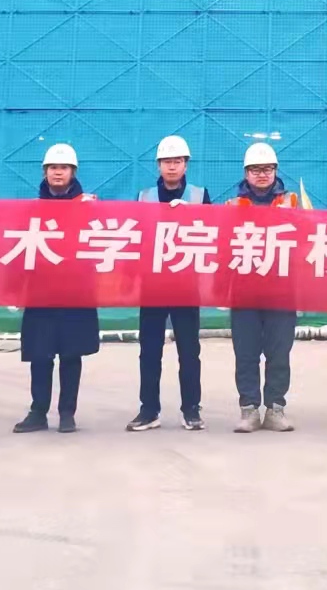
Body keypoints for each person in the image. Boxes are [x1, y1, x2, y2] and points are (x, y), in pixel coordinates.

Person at [14, 143, 99, 434]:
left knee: (71, 354)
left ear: (73, 172)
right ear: (45, 172)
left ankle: (67, 412)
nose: (58, 172)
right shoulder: (32, 209)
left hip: (76, 291)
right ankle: (38, 411)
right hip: (40, 292)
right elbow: (21, 249)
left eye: (63, 168)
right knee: (40, 354)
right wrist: (18, 288)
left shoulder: (90, 207)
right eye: (53, 168)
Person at [126, 134, 208, 432]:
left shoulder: (199, 195)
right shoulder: (144, 196)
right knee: (149, 350)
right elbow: (136, 236)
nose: (172, 167)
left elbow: (211, 234)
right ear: (158, 165)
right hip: (153, 285)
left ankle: (191, 410)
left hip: (186, 284)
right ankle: (149, 410)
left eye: (177, 161)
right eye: (166, 162)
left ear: (186, 165)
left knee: (189, 351)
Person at [225, 142, 302, 433]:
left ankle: (275, 408)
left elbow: (309, 237)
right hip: (244, 291)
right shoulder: (231, 206)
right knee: (245, 353)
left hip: (282, 291)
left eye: (267, 169)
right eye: (255, 169)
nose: (261, 174)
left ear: (275, 171)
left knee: (279, 353)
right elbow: (222, 246)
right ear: (246, 173)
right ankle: (248, 410)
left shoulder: (292, 202)